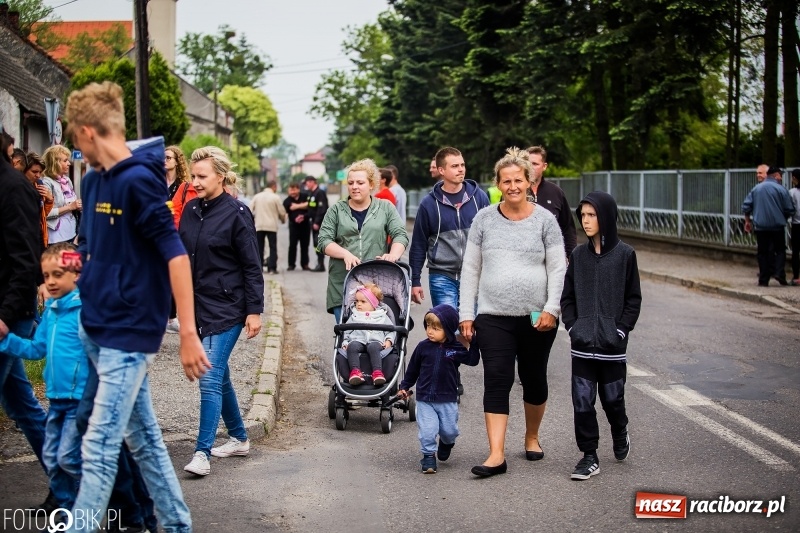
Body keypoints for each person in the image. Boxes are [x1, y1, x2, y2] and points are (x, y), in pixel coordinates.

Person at [64, 81, 207, 531]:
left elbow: (176, 255)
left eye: (72, 136)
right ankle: (178, 525)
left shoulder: (139, 182)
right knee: (143, 441)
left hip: (129, 334)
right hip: (95, 327)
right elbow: (91, 250)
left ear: (88, 132)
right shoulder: (92, 181)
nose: (73, 145)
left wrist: (186, 332)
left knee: (98, 447)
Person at [458, 147, 566, 478]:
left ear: (529, 182)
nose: (513, 186)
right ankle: (495, 454)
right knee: (497, 380)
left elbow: (558, 267)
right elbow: (471, 269)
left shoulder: (546, 221)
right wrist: (466, 313)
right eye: (507, 181)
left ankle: (532, 437)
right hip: (493, 316)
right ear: (498, 184)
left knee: (534, 380)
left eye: (518, 180)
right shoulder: (484, 219)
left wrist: (551, 307)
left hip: (537, 318)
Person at [180, 146, 264, 477]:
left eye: (202, 177)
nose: (196, 182)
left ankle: (202, 453)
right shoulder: (189, 210)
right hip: (200, 306)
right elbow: (182, 258)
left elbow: (252, 266)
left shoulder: (237, 213)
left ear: (220, 175)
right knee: (221, 375)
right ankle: (240, 438)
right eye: (193, 176)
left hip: (230, 307)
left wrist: (254, 311)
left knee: (209, 375)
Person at [561, 191, 642, 481]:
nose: (585, 221)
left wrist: (620, 330)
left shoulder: (625, 256)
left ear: (605, 216)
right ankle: (589, 456)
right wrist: (573, 327)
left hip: (612, 345)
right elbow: (567, 298)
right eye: (582, 215)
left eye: (591, 215)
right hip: (582, 345)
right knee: (582, 402)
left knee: (612, 400)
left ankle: (620, 430)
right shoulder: (578, 256)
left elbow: (634, 300)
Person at [0, 243, 88, 511]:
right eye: (46, 276)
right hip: (57, 400)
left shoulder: (87, 313)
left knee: (68, 458)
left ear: (77, 275)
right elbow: (36, 349)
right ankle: (65, 509)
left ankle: (90, 500)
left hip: (79, 401)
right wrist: (6, 340)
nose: (49, 282)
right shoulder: (51, 313)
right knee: (52, 456)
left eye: (57, 275)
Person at [0, 124, 50, 510]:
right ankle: (70, 483)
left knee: (20, 402)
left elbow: (24, 259)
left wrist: (6, 315)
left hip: (7, 312)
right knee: (20, 402)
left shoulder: (14, 188)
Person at [317, 158, 409, 323]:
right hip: (342, 283)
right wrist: (345, 253)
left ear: (371, 184)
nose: (354, 187)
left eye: (360, 182)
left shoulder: (385, 207)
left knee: (376, 333)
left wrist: (393, 255)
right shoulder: (336, 210)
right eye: (351, 182)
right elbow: (323, 241)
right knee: (346, 334)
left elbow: (400, 234)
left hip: (375, 284)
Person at [397, 304, 479, 474]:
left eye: (436, 328)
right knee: (428, 431)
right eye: (428, 326)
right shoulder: (422, 347)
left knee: (449, 431)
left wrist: (474, 342)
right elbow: (412, 369)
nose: (430, 331)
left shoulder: (455, 348)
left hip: (447, 398)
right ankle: (428, 457)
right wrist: (404, 387)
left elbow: (473, 360)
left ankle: (447, 442)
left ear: (448, 330)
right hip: (425, 398)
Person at [410, 146, 490, 310]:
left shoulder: (478, 197)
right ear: (441, 170)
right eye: (455, 166)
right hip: (442, 276)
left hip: (474, 275)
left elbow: (491, 235)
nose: (461, 169)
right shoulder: (429, 204)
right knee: (447, 329)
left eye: (462, 165)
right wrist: (415, 281)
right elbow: (419, 244)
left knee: (470, 330)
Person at [742, 164, 795, 286]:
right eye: (780, 175)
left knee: (762, 252)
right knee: (780, 250)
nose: (781, 178)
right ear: (776, 175)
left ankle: (763, 279)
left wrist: (747, 221)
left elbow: (746, 206)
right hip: (777, 226)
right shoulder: (781, 189)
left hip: (761, 227)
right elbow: (789, 208)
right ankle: (779, 273)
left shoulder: (756, 189)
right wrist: (785, 217)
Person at [526, 145, 577, 258]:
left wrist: (572, 258)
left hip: (552, 259)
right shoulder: (514, 192)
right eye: (527, 163)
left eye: (535, 164)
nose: (530, 167)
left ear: (544, 166)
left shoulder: (555, 192)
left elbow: (567, 228)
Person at [342, 282, 396, 387]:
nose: (358, 304)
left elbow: (391, 330)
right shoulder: (354, 315)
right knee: (352, 347)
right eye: (356, 301)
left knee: (374, 347)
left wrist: (388, 341)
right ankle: (355, 371)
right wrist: (345, 342)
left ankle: (377, 372)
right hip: (357, 340)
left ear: (373, 303)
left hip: (376, 341)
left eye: (363, 301)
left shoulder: (382, 316)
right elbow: (346, 330)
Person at [165, 146, 190, 334]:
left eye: (168, 157)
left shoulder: (184, 185)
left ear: (176, 161)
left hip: (176, 235)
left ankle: (172, 317)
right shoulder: (155, 182)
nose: (164, 161)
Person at [42, 145, 81, 246]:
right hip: (56, 237)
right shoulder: (46, 182)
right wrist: (70, 207)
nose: (69, 163)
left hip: (71, 232)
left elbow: (73, 204)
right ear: (55, 163)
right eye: (65, 161)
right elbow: (46, 213)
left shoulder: (67, 180)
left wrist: (78, 205)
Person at [250, 179, 287, 274]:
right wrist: (283, 220)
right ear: (274, 186)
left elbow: (249, 209)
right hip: (271, 226)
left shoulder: (257, 196)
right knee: (272, 247)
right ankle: (272, 268)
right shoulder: (275, 197)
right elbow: (282, 212)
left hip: (259, 225)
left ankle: (259, 268)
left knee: (259, 247)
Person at [24, 152, 55, 249]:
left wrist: (49, 200)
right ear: (24, 170)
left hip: (39, 234)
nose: (38, 175)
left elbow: (43, 214)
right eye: (34, 172)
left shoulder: (39, 184)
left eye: (40, 172)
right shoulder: (19, 187)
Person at [282, 182, 311, 271]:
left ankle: (305, 264)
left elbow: (310, 205)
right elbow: (290, 209)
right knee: (292, 245)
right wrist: (303, 206)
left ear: (298, 189)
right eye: (291, 190)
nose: (293, 192)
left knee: (305, 245)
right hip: (294, 225)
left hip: (305, 224)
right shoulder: (287, 200)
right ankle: (291, 264)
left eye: (294, 190)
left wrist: (298, 206)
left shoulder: (305, 196)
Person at [305, 175, 329, 271]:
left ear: (312, 182)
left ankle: (321, 264)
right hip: (313, 222)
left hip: (318, 224)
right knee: (316, 244)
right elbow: (311, 209)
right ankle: (319, 263)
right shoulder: (312, 194)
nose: (306, 185)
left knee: (319, 243)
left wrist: (317, 222)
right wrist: (305, 216)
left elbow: (322, 209)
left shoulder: (320, 193)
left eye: (307, 183)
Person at [790, 169, 800, 286]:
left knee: (795, 252)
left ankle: (796, 277)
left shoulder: (792, 192)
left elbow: (790, 208)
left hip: (797, 225)